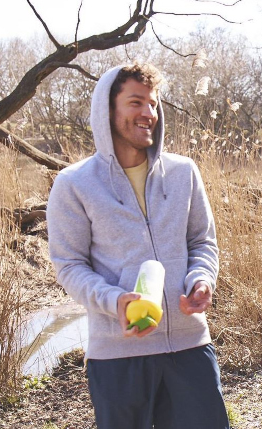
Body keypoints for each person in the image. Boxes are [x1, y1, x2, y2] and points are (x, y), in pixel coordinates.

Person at [47, 63, 229, 429]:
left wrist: (201, 280)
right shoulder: (75, 184)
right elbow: (69, 265)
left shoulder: (183, 172)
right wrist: (115, 301)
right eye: (136, 102)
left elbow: (202, 242)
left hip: (190, 345)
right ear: (108, 111)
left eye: (154, 103)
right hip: (118, 355)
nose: (149, 113)